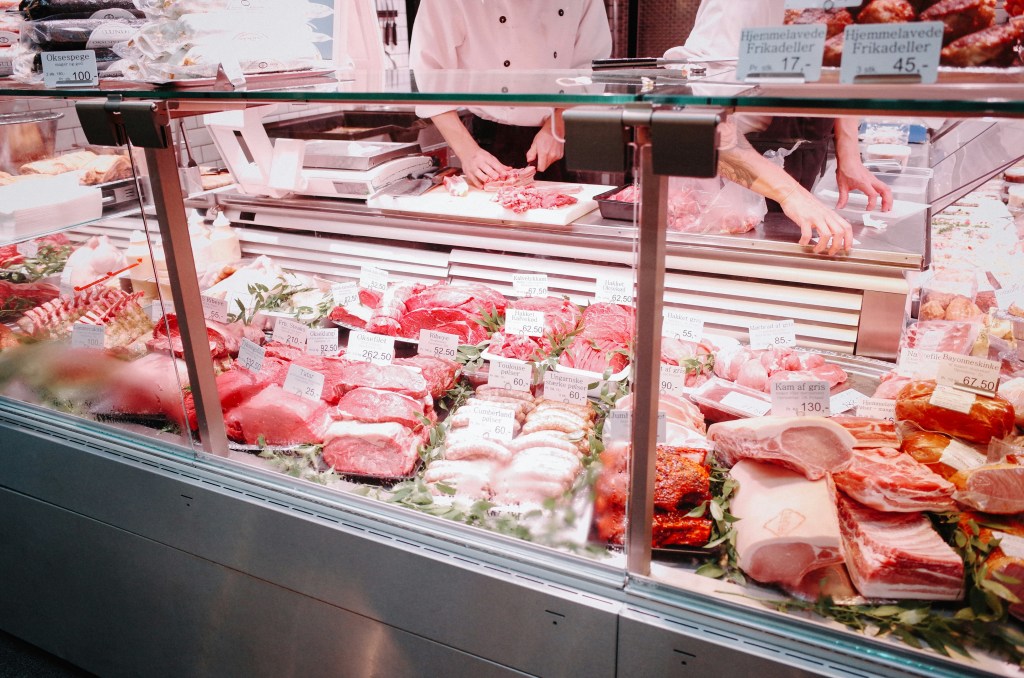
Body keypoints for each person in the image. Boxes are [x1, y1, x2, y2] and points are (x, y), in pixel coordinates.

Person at [665, 0, 893, 255]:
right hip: (727, 180)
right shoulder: (738, 6)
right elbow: (699, 120)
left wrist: (849, 153)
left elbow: (839, 67)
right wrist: (791, 194)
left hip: (793, 157)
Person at [410, 1, 612, 187]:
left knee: (557, 218)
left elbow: (590, 66)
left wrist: (556, 128)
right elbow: (430, 72)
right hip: (487, 141)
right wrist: (468, 152)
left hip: (556, 138)